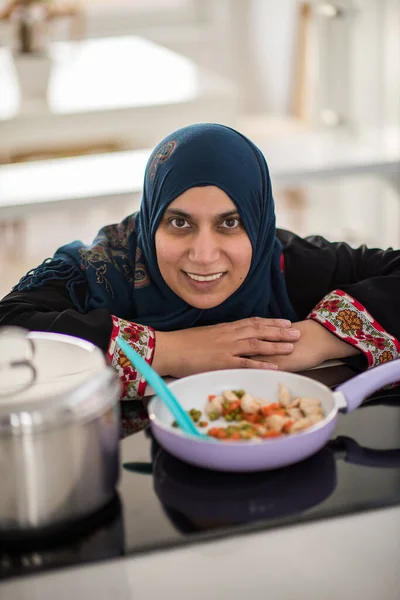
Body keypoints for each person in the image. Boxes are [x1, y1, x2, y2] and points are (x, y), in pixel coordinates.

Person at [1, 123, 399, 401]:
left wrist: (315, 339)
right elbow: (9, 330)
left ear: (258, 224)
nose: (204, 255)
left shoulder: (286, 265)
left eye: (230, 222)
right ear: (151, 217)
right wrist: (170, 350)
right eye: (179, 222)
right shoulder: (100, 271)